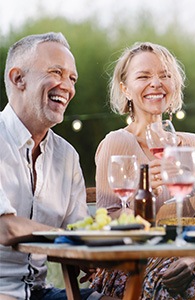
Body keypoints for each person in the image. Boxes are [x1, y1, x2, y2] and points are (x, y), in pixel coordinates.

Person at [90, 42, 195, 299]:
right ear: (125, 89)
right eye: (144, 76)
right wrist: (143, 197)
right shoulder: (118, 142)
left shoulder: (192, 145)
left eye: (165, 75)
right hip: (134, 261)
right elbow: (108, 221)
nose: (156, 83)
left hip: (187, 253)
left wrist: (189, 255)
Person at [0, 33, 111, 300]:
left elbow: (77, 232)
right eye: (56, 72)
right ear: (18, 79)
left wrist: (90, 257)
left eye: (72, 79)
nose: (67, 86)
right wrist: (68, 238)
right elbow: (6, 228)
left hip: (41, 292)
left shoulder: (67, 156)